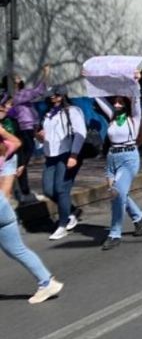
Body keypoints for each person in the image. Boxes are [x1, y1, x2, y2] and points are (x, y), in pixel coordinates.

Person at [1, 125, 65, 304]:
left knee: (17, 250)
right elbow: (15, 142)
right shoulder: (7, 153)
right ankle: (47, 282)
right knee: (17, 249)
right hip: (3, 207)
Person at [93, 90, 142, 250]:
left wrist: (135, 83)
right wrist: (90, 80)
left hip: (128, 158)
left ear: (127, 104)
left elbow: (136, 101)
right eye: (115, 102)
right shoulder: (112, 117)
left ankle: (114, 234)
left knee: (117, 193)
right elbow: (98, 98)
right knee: (117, 193)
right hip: (112, 158)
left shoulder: (134, 119)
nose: (116, 105)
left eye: (120, 102)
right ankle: (139, 217)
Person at [39, 86, 86, 240]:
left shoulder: (72, 111)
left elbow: (80, 133)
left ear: (62, 96)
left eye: (55, 96)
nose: (52, 98)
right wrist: (39, 137)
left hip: (67, 154)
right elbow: (44, 137)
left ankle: (62, 225)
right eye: (50, 96)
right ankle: (72, 211)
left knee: (61, 189)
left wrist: (74, 155)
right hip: (50, 155)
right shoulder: (47, 114)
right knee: (48, 190)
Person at [1, 66, 49, 203]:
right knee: (20, 160)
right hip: (21, 129)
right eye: (15, 78)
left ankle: (22, 190)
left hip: (22, 128)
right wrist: (46, 73)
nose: (19, 79)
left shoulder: (16, 96)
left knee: (19, 161)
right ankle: (21, 191)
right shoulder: (18, 96)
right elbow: (39, 90)